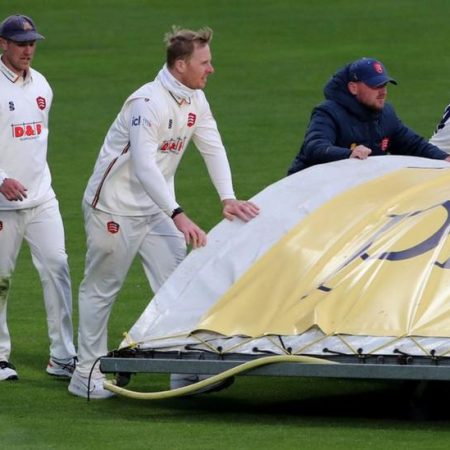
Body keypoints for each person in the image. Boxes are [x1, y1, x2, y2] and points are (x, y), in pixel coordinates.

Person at [68, 26, 260, 399]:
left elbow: (213, 146)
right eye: (204, 62)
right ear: (179, 65)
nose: (212, 69)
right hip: (115, 208)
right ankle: (84, 374)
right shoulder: (147, 103)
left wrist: (228, 197)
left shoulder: (195, 100)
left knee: (177, 284)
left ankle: (181, 371)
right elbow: (143, 166)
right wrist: (178, 214)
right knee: (102, 289)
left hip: (157, 209)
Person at [0, 14, 77, 381]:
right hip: (2, 204)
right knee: (0, 279)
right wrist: (1, 180)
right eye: (20, 43)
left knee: (58, 269)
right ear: (3, 44)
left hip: (42, 198)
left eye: (31, 43)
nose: (28, 50)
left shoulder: (42, 85)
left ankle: (62, 356)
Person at [287, 57, 450, 175]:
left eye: (385, 85)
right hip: (309, 194)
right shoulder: (328, 112)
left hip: (351, 192)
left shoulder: (386, 114)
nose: (383, 92)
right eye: (375, 86)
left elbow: (414, 145)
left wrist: (443, 158)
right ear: (353, 88)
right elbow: (315, 147)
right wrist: (347, 154)